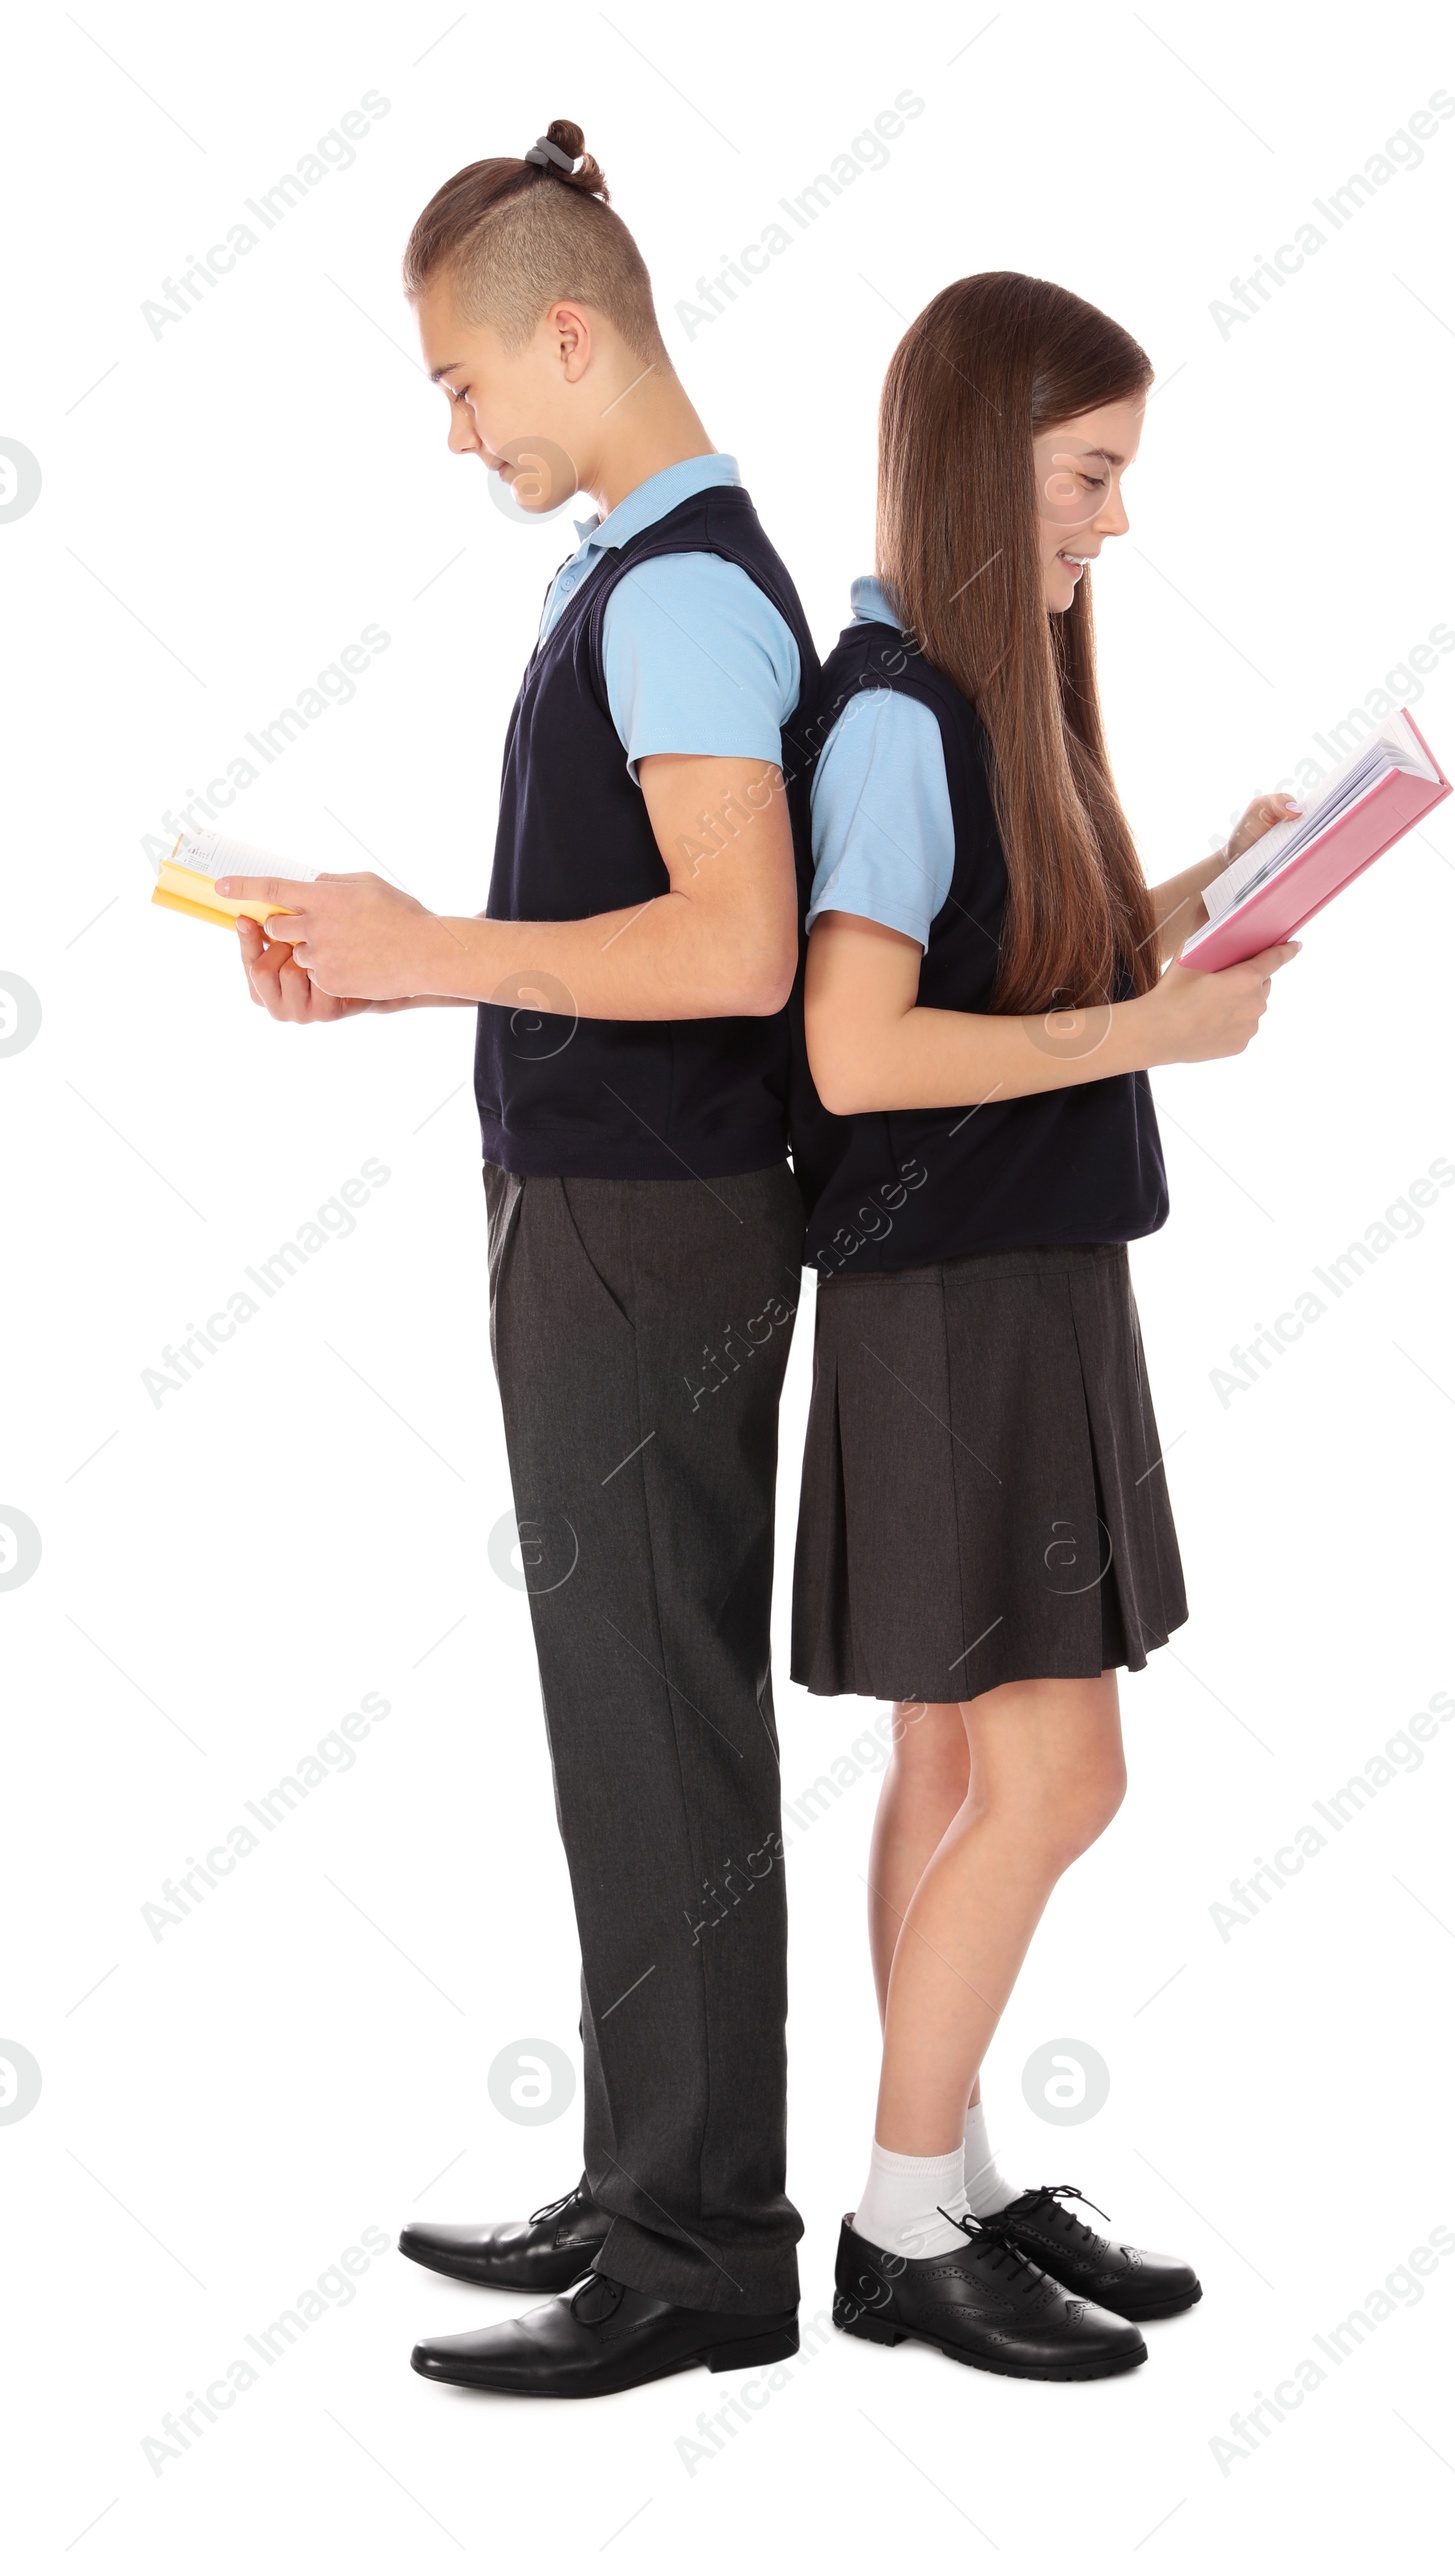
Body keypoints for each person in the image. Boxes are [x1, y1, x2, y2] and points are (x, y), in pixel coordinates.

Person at [218, 123, 820, 2398]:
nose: (456, 429)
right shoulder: (633, 564)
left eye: (465, 384)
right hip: (604, 1209)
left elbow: (735, 940)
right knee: (623, 1711)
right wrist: (388, 969)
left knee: (653, 1709)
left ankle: (698, 2252)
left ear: (568, 336)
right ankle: (653, 2170)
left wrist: (423, 946)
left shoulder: (674, 584)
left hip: (646, 1227)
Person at [787, 270, 1301, 2381]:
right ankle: (901, 2222)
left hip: (1000, 1289)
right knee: (1055, 1772)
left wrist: (1201, 886)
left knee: (948, 1759)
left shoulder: (975, 703)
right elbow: (853, 1051)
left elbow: (1002, 978)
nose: (1110, 518)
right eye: (1089, 474)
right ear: (987, 466)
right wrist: (1156, 1021)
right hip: (961, 1306)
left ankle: (949, 2163)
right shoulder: (902, 710)